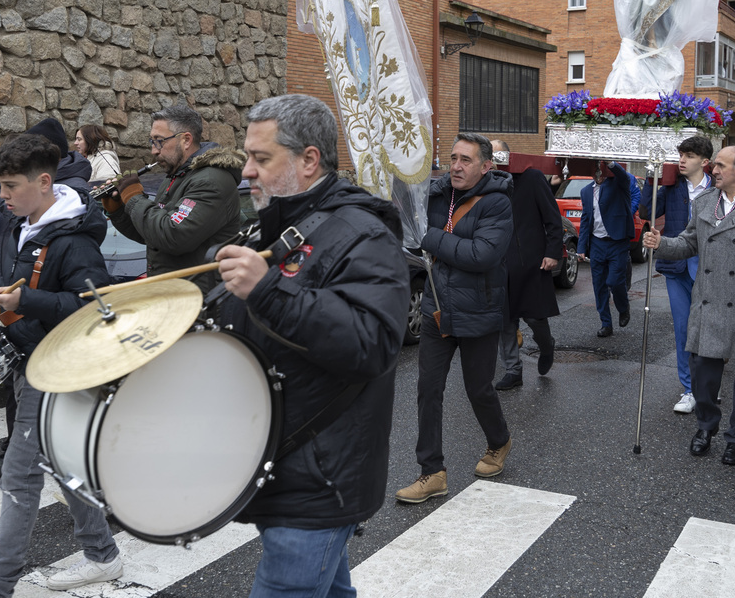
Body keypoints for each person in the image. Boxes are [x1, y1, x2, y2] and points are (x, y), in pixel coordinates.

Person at [213, 94, 408, 597]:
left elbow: (374, 343)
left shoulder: (364, 234)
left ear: (308, 160)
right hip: (286, 457)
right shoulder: (269, 224)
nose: (247, 172)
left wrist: (266, 289)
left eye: (261, 159)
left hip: (322, 472)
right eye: (247, 158)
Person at [0, 135, 123, 598]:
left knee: (19, 477)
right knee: (64, 465)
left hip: (58, 368)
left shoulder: (73, 242)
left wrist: (28, 300)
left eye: (9, 186)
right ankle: (103, 556)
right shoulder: (21, 223)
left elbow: (96, 308)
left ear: (44, 182)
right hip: (30, 361)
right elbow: (8, 281)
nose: (1, 196)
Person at [643, 146, 735, 466]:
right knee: (704, 378)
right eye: (714, 165)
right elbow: (688, 243)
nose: (714, 170)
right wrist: (662, 243)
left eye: (721, 165)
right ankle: (706, 426)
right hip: (709, 301)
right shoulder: (704, 202)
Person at [396, 132, 513, 504]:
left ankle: (499, 441)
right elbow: (402, 207)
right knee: (428, 389)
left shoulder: (497, 204)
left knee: (478, 389)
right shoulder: (435, 193)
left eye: (466, 160)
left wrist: (428, 236)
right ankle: (432, 472)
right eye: (453, 158)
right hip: (436, 309)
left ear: (486, 166)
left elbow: (481, 255)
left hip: (478, 310)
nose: (457, 166)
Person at [105, 104, 242, 293]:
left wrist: (134, 198)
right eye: (152, 141)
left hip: (198, 299)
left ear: (186, 140)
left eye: (159, 141)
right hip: (173, 294)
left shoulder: (211, 181)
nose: (154, 150)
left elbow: (173, 236)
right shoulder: (176, 175)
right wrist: (119, 210)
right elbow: (152, 236)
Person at [639, 135, 713, 414]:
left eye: (690, 156)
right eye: (681, 154)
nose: (682, 160)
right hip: (676, 267)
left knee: (707, 330)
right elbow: (646, 211)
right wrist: (651, 178)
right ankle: (689, 389)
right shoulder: (671, 187)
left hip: (708, 268)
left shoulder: (717, 189)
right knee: (683, 329)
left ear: (704, 162)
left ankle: (707, 385)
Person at [490, 140, 560, 390]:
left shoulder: (532, 178)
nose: (494, 159)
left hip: (530, 263)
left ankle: (546, 344)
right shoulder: (488, 183)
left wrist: (553, 252)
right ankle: (513, 370)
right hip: (498, 264)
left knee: (534, 317)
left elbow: (552, 218)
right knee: (503, 321)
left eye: (497, 153)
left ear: (509, 155)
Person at [577, 161, 639, 338]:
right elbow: (585, 218)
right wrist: (582, 247)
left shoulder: (619, 185)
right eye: (595, 171)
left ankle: (623, 307)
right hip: (597, 243)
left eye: (601, 170)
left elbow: (621, 175)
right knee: (599, 286)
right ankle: (606, 323)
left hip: (617, 242)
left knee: (614, 281)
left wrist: (609, 163)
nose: (599, 174)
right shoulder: (586, 191)